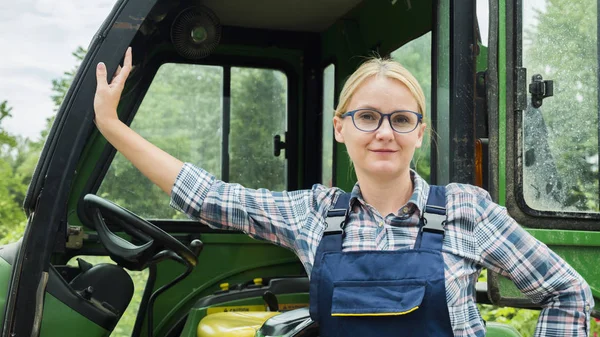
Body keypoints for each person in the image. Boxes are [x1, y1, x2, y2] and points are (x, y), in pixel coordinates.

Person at [94, 47, 594, 337]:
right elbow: (209, 196)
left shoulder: (466, 209)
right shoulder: (313, 212)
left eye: (401, 119)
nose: (384, 132)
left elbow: (568, 291)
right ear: (340, 128)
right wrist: (112, 126)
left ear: (419, 132)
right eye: (367, 117)